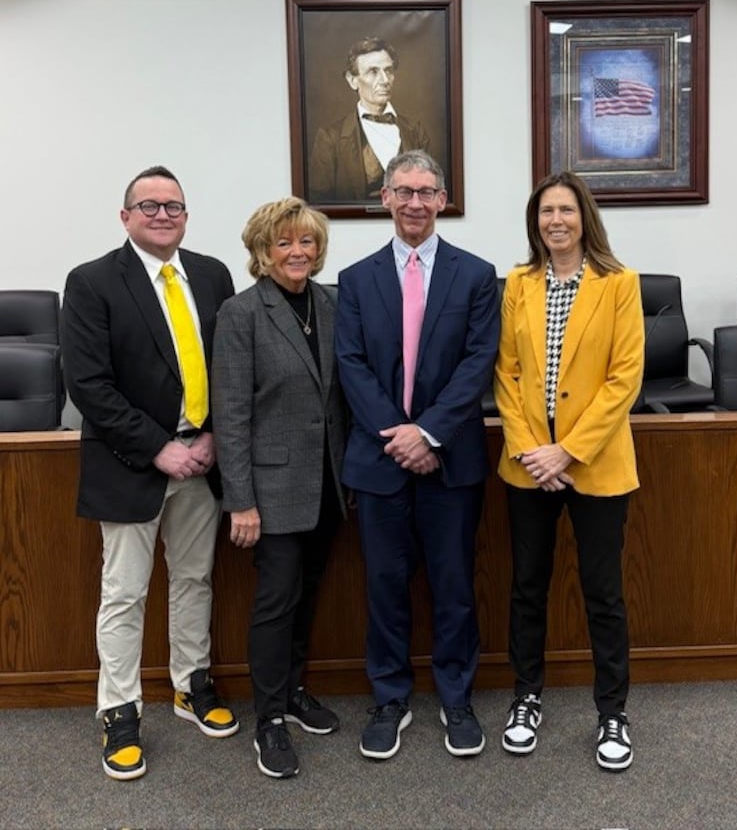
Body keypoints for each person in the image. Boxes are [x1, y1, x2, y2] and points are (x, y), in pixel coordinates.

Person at [61, 165, 239, 782]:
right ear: (125, 216)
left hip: (202, 460)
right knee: (124, 592)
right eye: (149, 206)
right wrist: (159, 447)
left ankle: (191, 685)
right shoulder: (91, 282)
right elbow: (89, 385)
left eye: (173, 206)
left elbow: (230, 365)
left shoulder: (213, 275)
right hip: (131, 462)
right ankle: (119, 710)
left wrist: (213, 433)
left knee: (194, 579)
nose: (163, 215)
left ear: (186, 216)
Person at [335, 150, 500, 760]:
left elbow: (478, 362)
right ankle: (389, 698)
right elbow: (351, 365)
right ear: (385, 198)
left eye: (426, 192)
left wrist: (427, 433)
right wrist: (401, 437)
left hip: (450, 459)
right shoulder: (355, 279)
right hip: (380, 460)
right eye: (403, 191)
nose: (414, 202)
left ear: (442, 200)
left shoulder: (476, 275)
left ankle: (456, 697)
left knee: (454, 584)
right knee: (384, 584)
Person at [494, 170, 644, 772]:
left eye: (566, 210)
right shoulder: (519, 283)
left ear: (585, 218)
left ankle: (612, 712)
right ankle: (526, 698)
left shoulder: (619, 283)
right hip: (528, 464)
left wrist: (568, 451)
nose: (555, 220)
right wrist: (533, 448)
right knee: (528, 587)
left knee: (602, 593)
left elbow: (624, 379)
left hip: (595, 464)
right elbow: (506, 374)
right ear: (535, 221)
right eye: (545, 211)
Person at [211, 197, 348, 779]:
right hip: (270, 490)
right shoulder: (240, 314)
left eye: (306, 241)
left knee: (308, 593)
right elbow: (230, 415)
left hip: (327, 485)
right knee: (275, 602)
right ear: (262, 252)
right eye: (284, 242)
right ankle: (268, 718)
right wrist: (240, 501)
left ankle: (293, 691)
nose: (297, 252)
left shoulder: (331, 304)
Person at [308, 36, 431, 203]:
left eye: (388, 71)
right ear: (353, 80)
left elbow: (428, 193)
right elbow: (319, 204)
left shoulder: (416, 132)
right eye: (373, 72)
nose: (385, 80)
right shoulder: (330, 139)